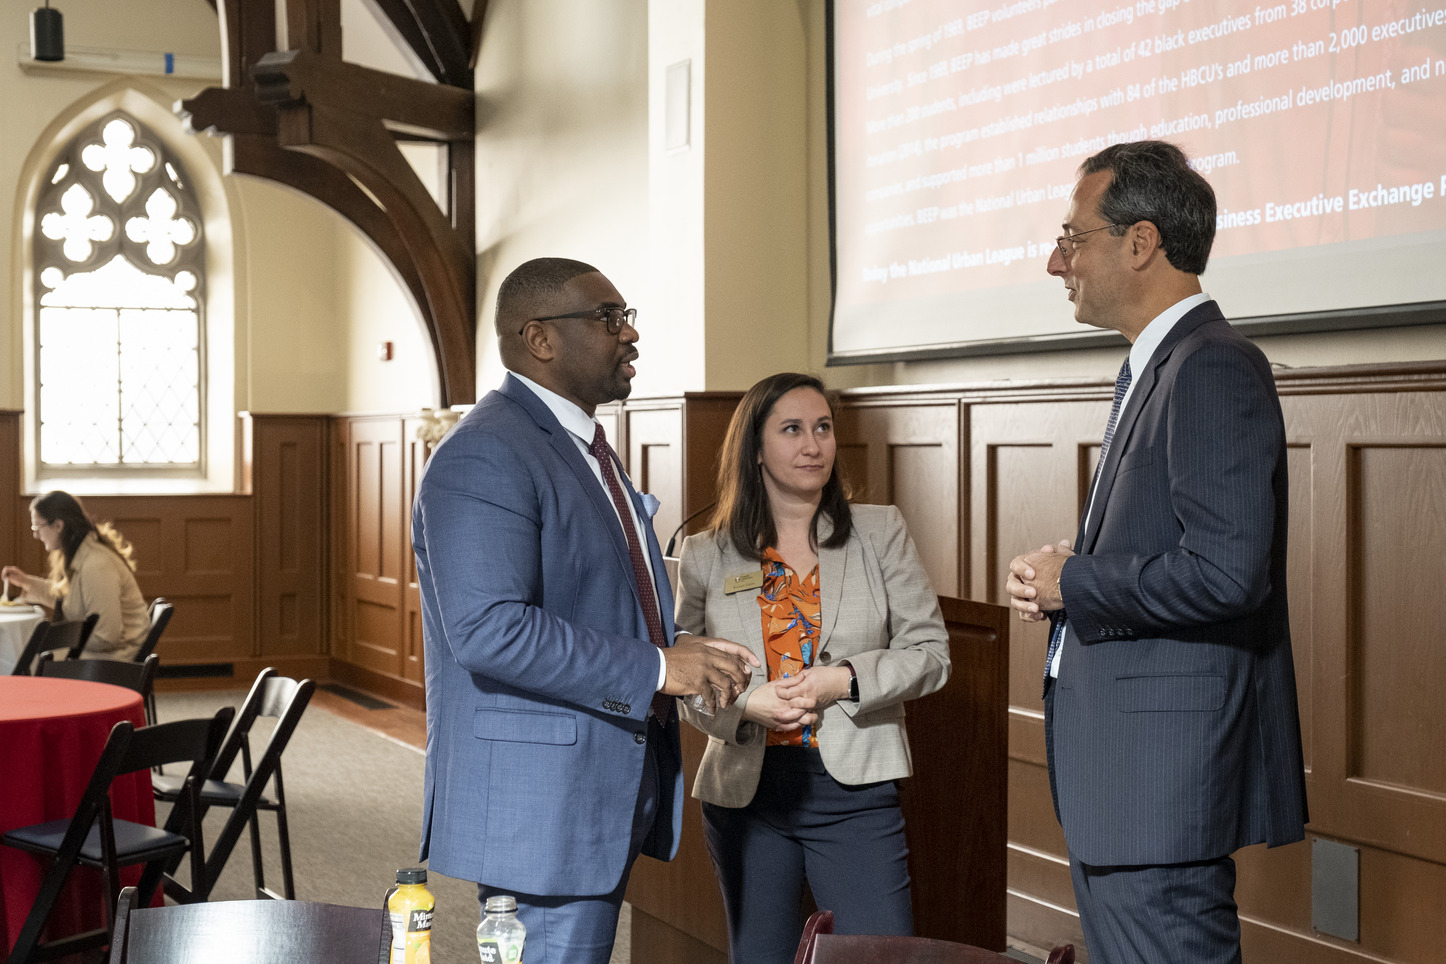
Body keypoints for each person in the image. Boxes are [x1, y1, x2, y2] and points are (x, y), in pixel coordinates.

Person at [1004, 141, 1308, 964]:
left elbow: (1227, 571)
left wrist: (1079, 581)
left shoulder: (1212, 366)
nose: (1053, 260)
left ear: (1140, 243)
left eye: (1073, 238)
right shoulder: (1161, 366)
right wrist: (1077, 565)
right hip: (1129, 789)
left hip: (1156, 792)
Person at [410, 257, 758, 964]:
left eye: (627, 316)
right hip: (540, 806)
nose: (629, 334)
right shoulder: (485, 453)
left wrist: (689, 651)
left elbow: (600, 598)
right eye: (608, 318)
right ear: (539, 338)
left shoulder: (580, 445)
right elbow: (488, 630)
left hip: (593, 783)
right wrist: (661, 665)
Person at [675, 372, 951, 964]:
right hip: (749, 793)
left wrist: (843, 678)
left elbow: (931, 654)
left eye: (822, 428)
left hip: (853, 790)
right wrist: (746, 702)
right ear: (754, 448)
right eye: (792, 429)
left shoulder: (880, 532)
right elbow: (684, 683)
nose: (813, 445)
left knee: (876, 957)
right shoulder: (705, 555)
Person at [2, 490, 149, 659]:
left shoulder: (96, 564)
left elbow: (107, 636)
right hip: (104, 652)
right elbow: (71, 600)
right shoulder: (81, 554)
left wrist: (57, 639)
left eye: (38, 527)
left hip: (115, 658)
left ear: (58, 525)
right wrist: (26, 582)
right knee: (24, 655)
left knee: (25, 658)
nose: (36, 535)